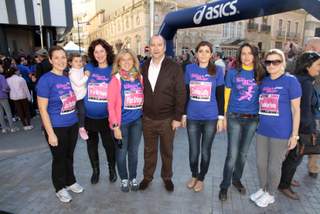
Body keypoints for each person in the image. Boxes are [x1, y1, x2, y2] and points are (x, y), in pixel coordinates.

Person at [250, 49, 301, 207]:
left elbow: (296, 110)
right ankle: (264, 188)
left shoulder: (290, 81)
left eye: (276, 62)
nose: (271, 65)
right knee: (260, 163)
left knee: (274, 166)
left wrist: (294, 135)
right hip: (263, 130)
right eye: (268, 62)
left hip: (281, 133)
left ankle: (271, 194)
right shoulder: (264, 81)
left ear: (282, 64)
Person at [138, 35, 186, 192]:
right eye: (153, 45)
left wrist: (178, 117)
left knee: (167, 151)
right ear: (149, 47)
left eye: (159, 45)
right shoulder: (143, 66)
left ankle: (167, 177)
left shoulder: (174, 67)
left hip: (167, 119)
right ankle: (147, 177)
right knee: (148, 151)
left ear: (165, 47)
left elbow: (181, 93)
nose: (156, 48)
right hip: (148, 118)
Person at [37, 46, 83, 203]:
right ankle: (60, 187)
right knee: (59, 158)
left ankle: (70, 181)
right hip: (56, 127)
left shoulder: (66, 77)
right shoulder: (45, 80)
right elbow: (42, 109)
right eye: (56, 57)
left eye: (63, 57)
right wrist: (50, 133)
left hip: (72, 124)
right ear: (50, 60)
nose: (60, 60)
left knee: (69, 156)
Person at [219, 43, 265, 201]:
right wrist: (224, 116)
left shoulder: (260, 73)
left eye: (250, 53)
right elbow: (226, 95)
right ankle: (224, 185)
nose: (246, 57)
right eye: (243, 53)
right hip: (234, 117)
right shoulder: (232, 73)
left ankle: (236, 179)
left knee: (243, 154)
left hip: (252, 119)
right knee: (232, 154)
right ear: (239, 55)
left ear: (255, 55)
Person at [182, 41, 225, 192]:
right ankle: (194, 175)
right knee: (194, 152)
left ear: (211, 54)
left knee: (205, 151)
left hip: (210, 118)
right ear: (197, 53)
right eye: (201, 51)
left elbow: (220, 96)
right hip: (193, 117)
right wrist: (184, 114)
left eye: (207, 51)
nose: (204, 54)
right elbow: (185, 93)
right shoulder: (189, 69)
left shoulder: (218, 71)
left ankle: (201, 178)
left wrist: (221, 118)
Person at [278, 51, 320, 200]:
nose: (319, 68)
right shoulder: (306, 83)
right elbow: (305, 110)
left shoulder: (299, 79)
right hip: (302, 128)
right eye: (318, 65)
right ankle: (284, 184)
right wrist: (311, 130)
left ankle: (284, 179)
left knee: (292, 157)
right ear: (308, 66)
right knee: (295, 158)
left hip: (295, 125)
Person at [108, 49, 143, 192]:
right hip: (121, 124)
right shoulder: (115, 80)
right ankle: (124, 178)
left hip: (137, 122)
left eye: (130, 59)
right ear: (119, 63)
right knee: (121, 153)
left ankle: (133, 177)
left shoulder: (139, 78)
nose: (127, 62)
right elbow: (110, 105)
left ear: (134, 61)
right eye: (123, 60)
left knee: (134, 152)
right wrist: (115, 126)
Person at [84, 39, 117, 184]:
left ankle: (112, 170)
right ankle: (95, 171)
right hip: (89, 117)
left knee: (109, 146)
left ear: (107, 51)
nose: (99, 54)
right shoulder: (89, 67)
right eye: (96, 51)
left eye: (102, 51)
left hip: (107, 117)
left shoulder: (114, 68)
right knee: (91, 146)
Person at [305, 38, 320, 178]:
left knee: (316, 138)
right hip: (301, 107)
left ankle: (313, 168)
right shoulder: (301, 61)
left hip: (316, 110)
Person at [68, 53, 90, 140]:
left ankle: (85, 126)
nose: (79, 63)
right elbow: (79, 83)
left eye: (80, 61)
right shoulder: (71, 73)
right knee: (82, 112)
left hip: (84, 95)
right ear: (70, 63)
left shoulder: (81, 69)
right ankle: (81, 128)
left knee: (86, 112)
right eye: (76, 61)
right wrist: (86, 76)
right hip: (78, 97)